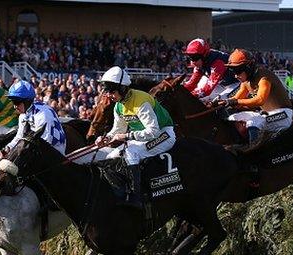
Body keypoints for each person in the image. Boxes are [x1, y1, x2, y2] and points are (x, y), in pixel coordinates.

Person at [95, 66, 176, 208]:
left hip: (164, 134)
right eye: (107, 91)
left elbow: (154, 132)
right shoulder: (118, 106)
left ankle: (136, 197)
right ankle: (120, 191)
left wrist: (126, 136)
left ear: (122, 88)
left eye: (112, 91)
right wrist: (106, 138)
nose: (109, 95)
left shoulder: (141, 101)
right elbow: (117, 129)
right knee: (110, 157)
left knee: (131, 152)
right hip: (143, 137)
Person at [218, 48, 293, 145]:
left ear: (248, 67)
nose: (236, 75)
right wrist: (219, 103)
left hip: (283, 115)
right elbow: (236, 99)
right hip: (266, 114)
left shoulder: (263, 77)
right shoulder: (245, 82)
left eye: (238, 71)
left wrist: (236, 102)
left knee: (254, 121)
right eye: (233, 71)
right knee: (233, 118)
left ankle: (254, 151)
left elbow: (260, 100)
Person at [0, 80, 66, 157]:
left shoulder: (43, 115)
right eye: (13, 102)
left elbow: (45, 143)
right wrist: (8, 148)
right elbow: (20, 136)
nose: (15, 106)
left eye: (16, 102)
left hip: (54, 151)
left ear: (27, 101)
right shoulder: (23, 115)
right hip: (37, 146)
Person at [182, 38, 238, 103]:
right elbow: (191, 84)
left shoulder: (218, 62)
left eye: (195, 58)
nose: (193, 62)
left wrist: (189, 96)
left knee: (220, 100)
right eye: (190, 58)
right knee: (201, 96)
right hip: (222, 83)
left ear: (204, 55)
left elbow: (207, 90)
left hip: (236, 83)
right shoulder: (201, 62)